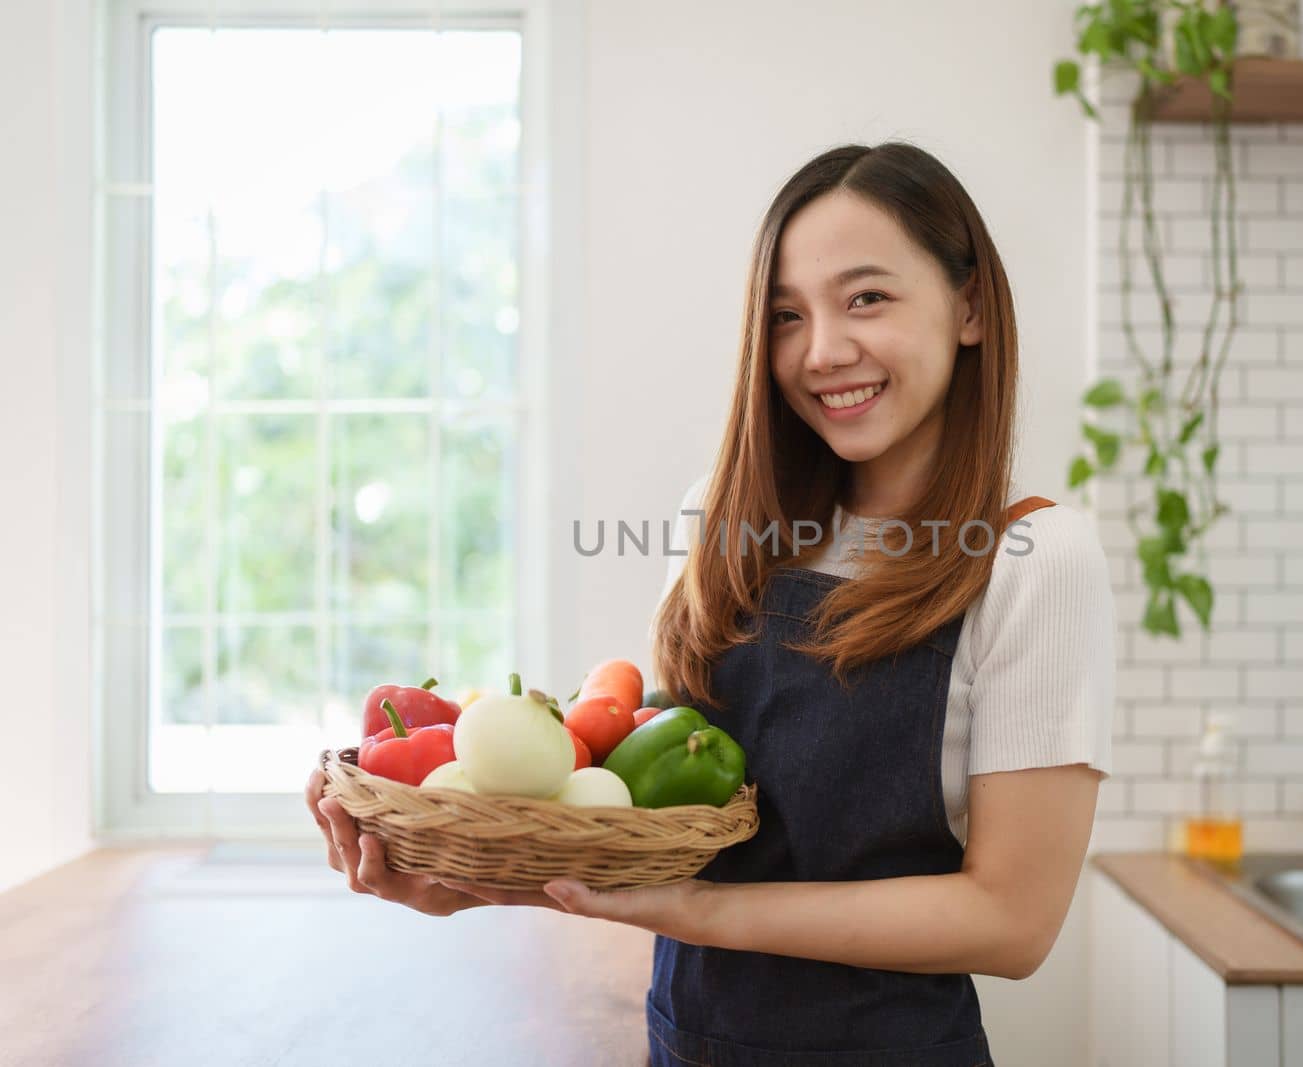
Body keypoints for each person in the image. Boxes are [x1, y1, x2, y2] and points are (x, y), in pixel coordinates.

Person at [308, 140, 1116, 1066]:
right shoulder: (719, 520)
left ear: (969, 306)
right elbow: (661, 825)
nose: (822, 351)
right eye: (785, 314)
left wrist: (697, 913)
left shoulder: (1034, 560)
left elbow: (1011, 920)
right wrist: (477, 874)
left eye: (867, 298)